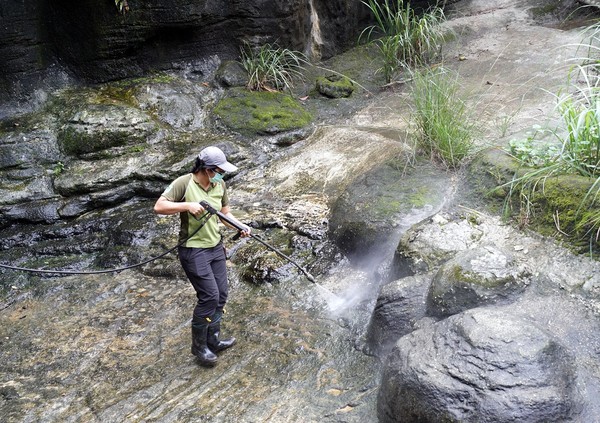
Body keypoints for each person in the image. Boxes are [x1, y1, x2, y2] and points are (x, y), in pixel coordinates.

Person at [154, 146, 251, 367]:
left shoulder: (220, 184)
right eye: (219, 171)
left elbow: (225, 214)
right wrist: (187, 206)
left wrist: (240, 226)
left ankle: (213, 340)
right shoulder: (184, 182)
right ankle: (199, 348)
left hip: (216, 247)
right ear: (206, 169)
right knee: (209, 297)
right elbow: (159, 206)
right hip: (193, 249)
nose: (221, 175)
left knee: (221, 295)